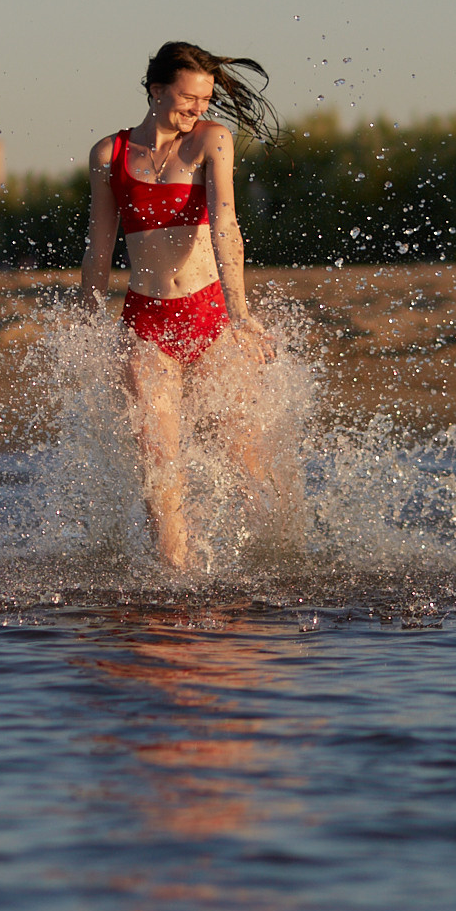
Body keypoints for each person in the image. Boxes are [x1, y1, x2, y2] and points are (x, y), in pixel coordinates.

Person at [81, 41, 280, 569]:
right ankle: (176, 582)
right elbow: (100, 245)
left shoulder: (212, 141)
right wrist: (86, 327)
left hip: (210, 317)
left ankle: (280, 558)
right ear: (156, 89)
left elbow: (225, 224)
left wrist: (239, 315)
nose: (198, 109)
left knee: (247, 460)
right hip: (146, 324)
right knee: (159, 465)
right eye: (189, 99)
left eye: (205, 99)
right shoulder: (110, 154)